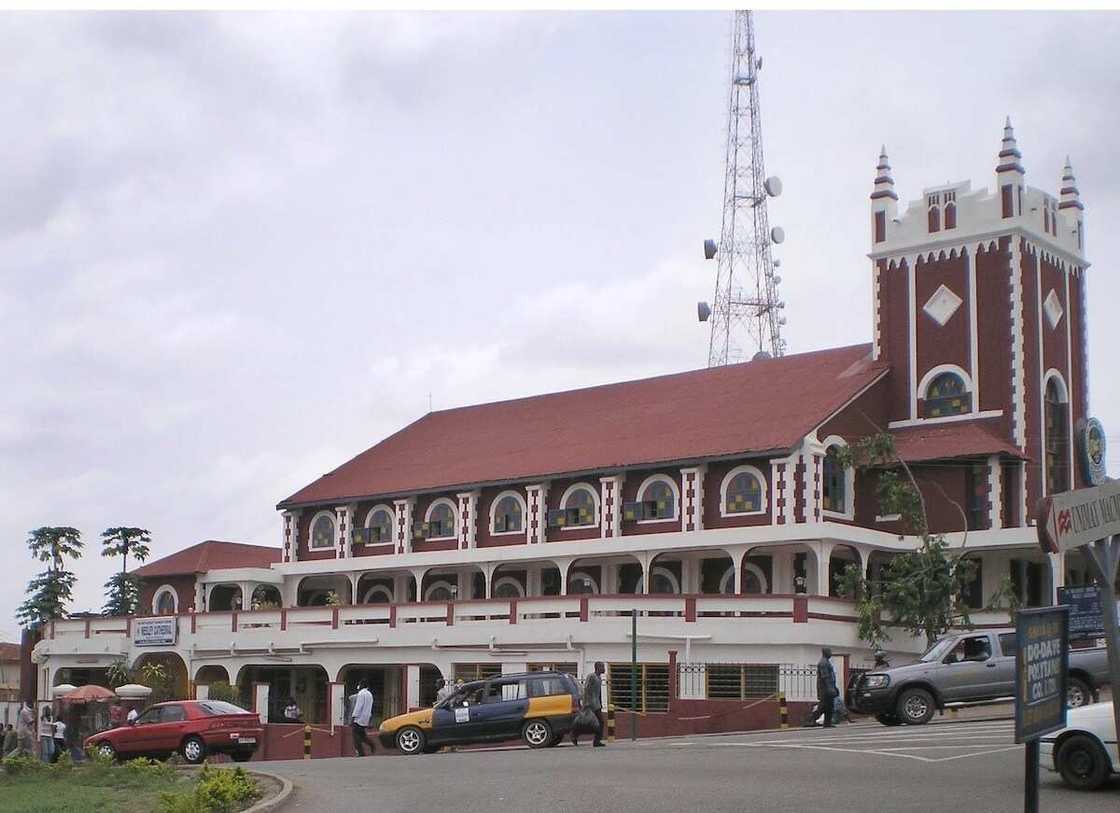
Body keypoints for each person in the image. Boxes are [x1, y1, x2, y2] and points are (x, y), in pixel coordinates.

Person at [573, 662, 605, 747]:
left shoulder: (599, 678)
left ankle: (596, 741)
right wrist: (586, 703)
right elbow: (586, 689)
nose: (604, 668)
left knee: (598, 723)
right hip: (590, 704)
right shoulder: (591, 676)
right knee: (588, 722)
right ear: (597, 667)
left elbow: (598, 692)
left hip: (597, 704)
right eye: (602, 667)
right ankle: (575, 734)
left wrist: (600, 703)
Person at [350, 679, 375, 757]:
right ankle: (371, 744)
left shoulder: (361, 694)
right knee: (362, 735)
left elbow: (358, 706)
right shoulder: (369, 694)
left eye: (359, 684)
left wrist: (353, 717)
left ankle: (361, 752)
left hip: (359, 718)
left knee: (355, 736)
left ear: (361, 685)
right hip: (366, 718)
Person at [816, 647, 839, 729]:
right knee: (823, 706)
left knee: (830, 706)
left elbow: (831, 677)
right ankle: (811, 720)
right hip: (825, 688)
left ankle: (827, 723)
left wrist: (834, 687)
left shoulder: (827, 662)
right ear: (825, 652)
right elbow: (825, 677)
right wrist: (830, 688)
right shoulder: (823, 663)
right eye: (829, 652)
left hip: (829, 687)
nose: (831, 653)